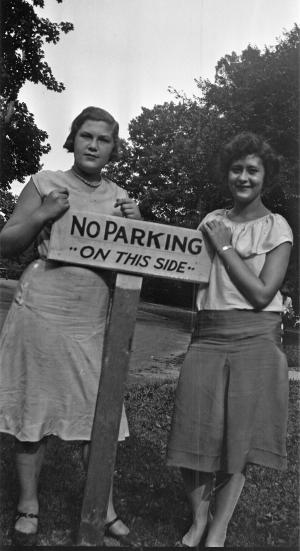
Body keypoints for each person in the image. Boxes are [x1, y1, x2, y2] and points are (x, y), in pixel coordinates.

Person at [0, 106, 142, 546]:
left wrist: (135, 229)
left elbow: (136, 266)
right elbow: (7, 243)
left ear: (113, 149)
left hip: (92, 319)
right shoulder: (46, 183)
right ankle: (28, 505)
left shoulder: (122, 198)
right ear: (73, 139)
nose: (93, 145)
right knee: (32, 409)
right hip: (41, 310)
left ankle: (104, 507)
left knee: (97, 413)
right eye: (86, 136)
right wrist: (42, 214)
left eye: (103, 139)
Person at [167, 132, 293, 547]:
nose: (243, 177)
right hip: (209, 334)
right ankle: (199, 517)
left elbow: (261, 294)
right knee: (193, 428)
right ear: (227, 173)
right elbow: (192, 278)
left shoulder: (277, 227)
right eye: (236, 169)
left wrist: (225, 248)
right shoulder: (210, 221)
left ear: (265, 177)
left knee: (239, 436)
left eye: (252, 170)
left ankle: (218, 528)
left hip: (256, 340)